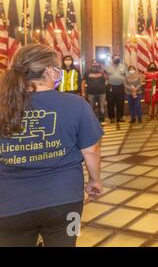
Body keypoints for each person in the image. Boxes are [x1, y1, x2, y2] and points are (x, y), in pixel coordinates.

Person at [0, 44, 103, 247]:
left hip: (9, 206)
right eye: (58, 68)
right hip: (66, 201)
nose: (61, 72)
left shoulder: (3, 105)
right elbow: (91, 150)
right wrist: (94, 181)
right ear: (48, 71)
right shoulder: (76, 104)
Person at [105, 54, 126, 123]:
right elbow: (105, 76)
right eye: (115, 58)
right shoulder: (107, 67)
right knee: (110, 102)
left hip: (120, 86)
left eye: (118, 58)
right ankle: (112, 118)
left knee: (120, 102)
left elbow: (126, 75)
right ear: (112, 59)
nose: (117, 59)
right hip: (111, 86)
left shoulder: (123, 66)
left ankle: (120, 117)